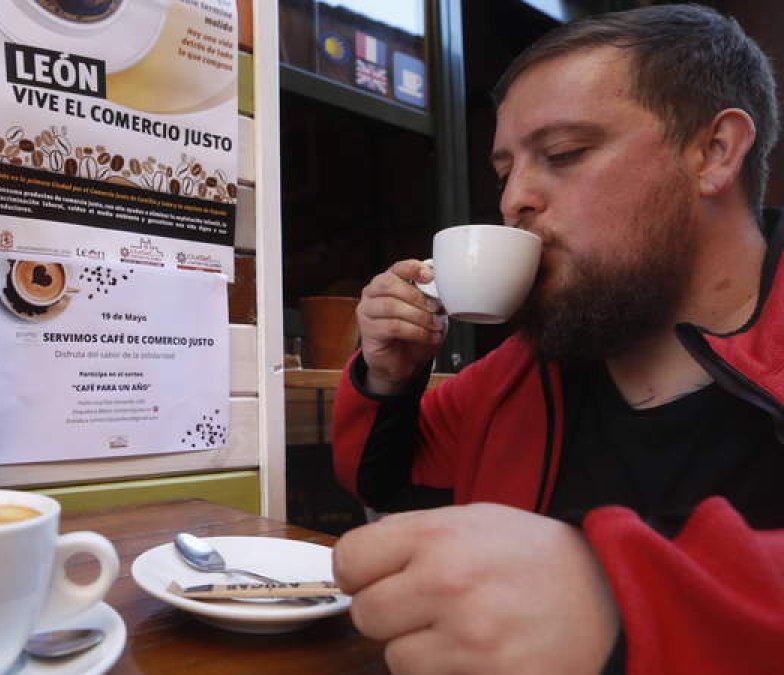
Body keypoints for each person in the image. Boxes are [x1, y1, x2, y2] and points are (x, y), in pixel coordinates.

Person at [329, 5, 784, 675]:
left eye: (564, 153)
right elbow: (387, 481)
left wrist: (621, 601)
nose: (514, 199)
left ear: (713, 151)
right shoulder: (520, 370)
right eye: (505, 171)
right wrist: (389, 377)